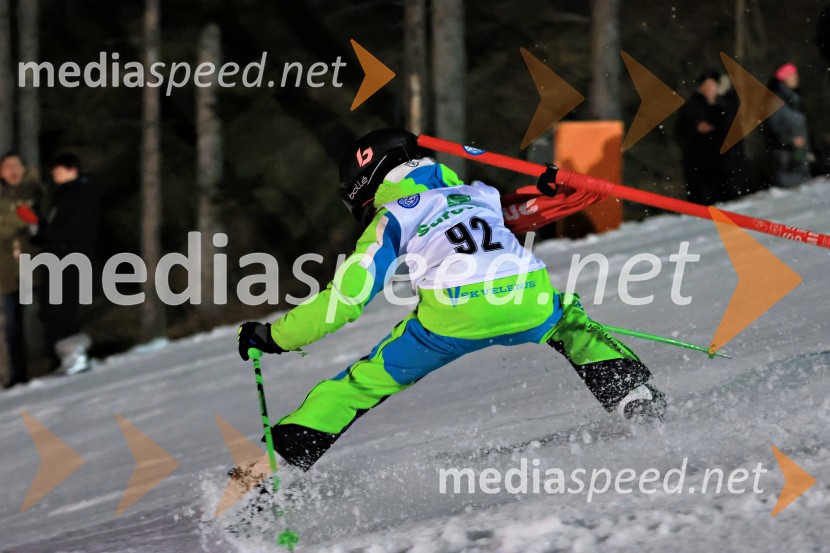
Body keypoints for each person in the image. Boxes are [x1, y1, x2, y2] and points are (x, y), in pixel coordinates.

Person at [236, 129, 666, 472]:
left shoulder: (394, 216)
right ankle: (636, 399)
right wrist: (559, 184)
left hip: (451, 316)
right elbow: (537, 209)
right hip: (526, 296)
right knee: (570, 325)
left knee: (359, 384)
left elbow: (346, 301)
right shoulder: (481, 194)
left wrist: (275, 336)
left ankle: (272, 473)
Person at [33, 153, 100, 374]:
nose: (55, 174)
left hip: (71, 258)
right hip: (57, 257)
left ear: (72, 170)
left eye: (59, 170)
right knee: (52, 309)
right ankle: (59, 357)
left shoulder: (82, 193)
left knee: (63, 309)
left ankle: (74, 356)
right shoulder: (63, 194)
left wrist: (44, 233)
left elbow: (73, 229)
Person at [0, 152, 39, 388]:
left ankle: (60, 360)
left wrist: (17, 216)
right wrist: (20, 216)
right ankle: (18, 373)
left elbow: (37, 221)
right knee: (12, 322)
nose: (13, 170)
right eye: (7, 166)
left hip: (34, 265)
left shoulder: (35, 191)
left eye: (17, 165)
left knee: (44, 312)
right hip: (6, 271)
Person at [675, 70, 729, 204]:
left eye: (713, 85)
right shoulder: (692, 106)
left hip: (720, 157)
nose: (710, 89)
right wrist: (696, 128)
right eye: (707, 85)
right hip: (697, 156)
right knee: (699, 194)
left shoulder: (725, 104)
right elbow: (679, 130)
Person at [764, 63, 813, 188]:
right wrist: (790, 140)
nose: (796, 77)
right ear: (783, 77)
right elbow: (771, 128)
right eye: (792, 74)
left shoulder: (793, 97)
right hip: (785, 157)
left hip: (798, 154)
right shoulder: (774, 99)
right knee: (789, 195)